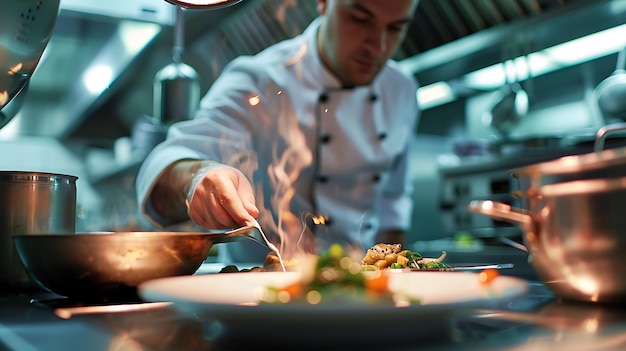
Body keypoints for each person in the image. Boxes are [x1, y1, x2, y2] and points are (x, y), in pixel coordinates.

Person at [136, 0, 421, 263]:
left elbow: (393, 204)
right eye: (359, 19)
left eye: (396, 28)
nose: (378, 45)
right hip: (258, 294)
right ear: (323, 3)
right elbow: (168, 159)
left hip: (359, 291)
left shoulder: (402, 90)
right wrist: (198, 177)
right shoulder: (258, 80)